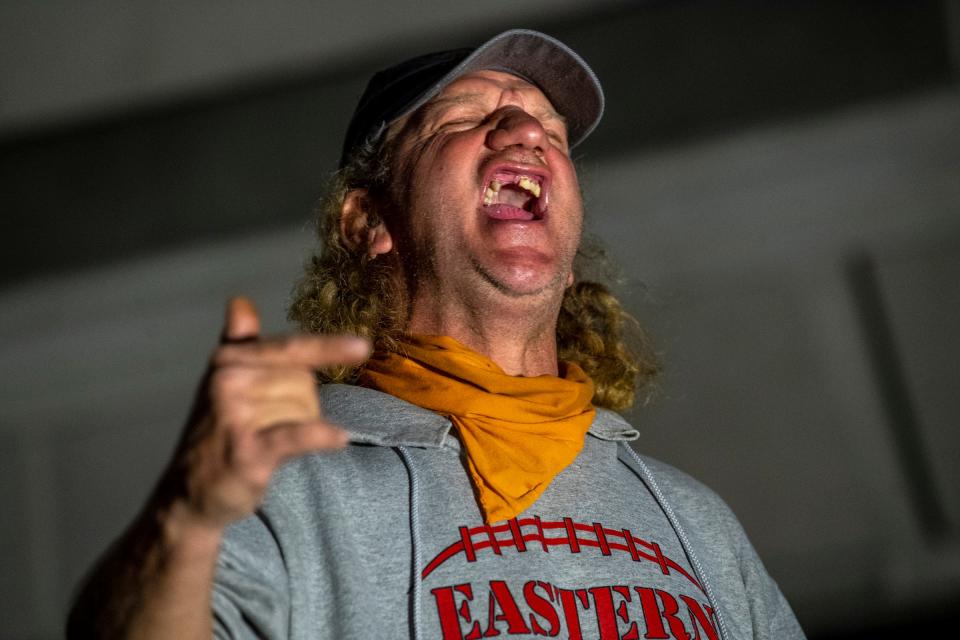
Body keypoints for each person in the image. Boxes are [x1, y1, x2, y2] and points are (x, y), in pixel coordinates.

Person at [68, 29, 805, 640]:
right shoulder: (283, 482)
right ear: (370, 223)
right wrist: (184, 520)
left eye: (548, 128)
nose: (523, 131)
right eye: (462, 118)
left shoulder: (694, 521)